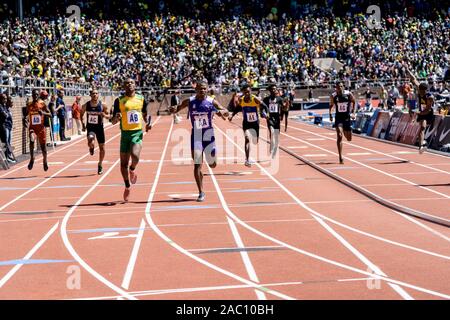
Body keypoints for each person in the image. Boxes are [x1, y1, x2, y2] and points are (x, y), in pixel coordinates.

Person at [168, 81, 229, 202]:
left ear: (207, 90)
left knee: (212, 164)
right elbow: (177, 108)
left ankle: (212, 157)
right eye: (200, 89)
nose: (202, 91)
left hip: (208, 135)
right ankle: (201, 192)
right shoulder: (189, 101)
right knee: (197, 164)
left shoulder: (211, 101)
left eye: (204, 89)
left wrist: (224, 112)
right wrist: (173, 109)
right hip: (196, 135)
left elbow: (224, 110)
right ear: (196, 90)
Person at [111, 79, 152, 202]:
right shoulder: (119, 101)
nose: (129, 84)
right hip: (124, 134)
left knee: (135, 156)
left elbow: (145, 114)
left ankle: (132, 169)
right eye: (127, 83)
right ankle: (127, 186)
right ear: (124, 86)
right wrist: (116, 118)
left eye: (131, 83)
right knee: (123, 165)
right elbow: (113, 121)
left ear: (135, 85)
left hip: (137, 132)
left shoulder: (141, 98)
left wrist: (148, 123)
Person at [229, 84, 267, 167]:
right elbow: (237, 108)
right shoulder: (241, 100)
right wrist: (232, 115)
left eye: (248, 92)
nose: (247, 93)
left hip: (255, 123)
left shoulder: (255, 99)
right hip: (246, 123)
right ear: (243, 92)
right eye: (245, 92)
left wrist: (265, 113)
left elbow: (264, 106)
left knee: (254, 141)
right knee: (247, 139)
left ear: (250, 91)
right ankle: (247, 160)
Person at [81, 88, 110, 175]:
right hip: (91, 128)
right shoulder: (86, 105)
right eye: (93, 93)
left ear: (98, 95)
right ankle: (91, 147)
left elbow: (108, 115)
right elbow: (81, 114)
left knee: (102, 148)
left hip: (100, 128)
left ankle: (100, 164)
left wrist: (104, 115)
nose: (95, 95)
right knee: (91, 141)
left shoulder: (103, 105)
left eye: (96, 93)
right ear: (90, 95)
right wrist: (83, 125)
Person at [406, 68, 435, 154]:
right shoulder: (419, 88)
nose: (420, 93)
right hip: (422, 113)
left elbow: (427, 110)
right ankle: (421, 146)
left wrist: (416, 112)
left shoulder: (430, 98)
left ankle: (424, 142)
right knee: (422, 127)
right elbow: (413, 78)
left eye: (422, 92)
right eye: (419, 91)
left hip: (428, 113)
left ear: (425, 91)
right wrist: (408, 71)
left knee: (425, 126)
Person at [24, 89, 52, 171]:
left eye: (36, 95)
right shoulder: (29, 105)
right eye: (34, 95)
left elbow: (50, 114)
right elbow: (26, 115)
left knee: (43, 149)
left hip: (41, 129)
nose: (35, 96)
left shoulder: (42, 104)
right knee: (32, 139)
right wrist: (25, 119)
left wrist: (43, 113)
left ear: (38, 95)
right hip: (33, 128)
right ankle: (32, 158)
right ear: (32, 95)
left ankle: (45, 160)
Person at [329, 83, 356, 164]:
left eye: (341, 86)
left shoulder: (348, 94)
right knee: (339, 136)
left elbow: (354, 102)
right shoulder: (333, 96)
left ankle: (345, 130)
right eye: (338, 87)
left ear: (343, 87)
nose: (339, 88)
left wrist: (353, 112)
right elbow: (330, 105)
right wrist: (330, 114)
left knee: (349, 139)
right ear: (336, 88)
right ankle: (340, 157)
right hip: (339, 118)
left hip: (347, 118)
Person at [262, 84, 283, 158]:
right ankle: (272, 148)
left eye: (275, 89)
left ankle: (274, 148)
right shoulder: (266, 99)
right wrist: (265, 115)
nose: (274, 90)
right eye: (273, 89)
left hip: (277, 119)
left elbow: (283, 108)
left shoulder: (279, 99)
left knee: (276, 135)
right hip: (270, 118)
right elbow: (262, 110)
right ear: (270, 90)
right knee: (272, 132)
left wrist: (282, 115)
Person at [0, 93, 15, 163]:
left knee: (8, 142)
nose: (5, 100)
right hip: (4, 126)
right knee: (6, 142)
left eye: (6, 99)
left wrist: (7, 114)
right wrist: (6, 114)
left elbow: (7, 115)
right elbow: (5, 115)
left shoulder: (4, 106)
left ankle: (8, 156)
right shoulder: (1, 106)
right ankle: (6, 157)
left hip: (8, 126)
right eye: (4, 99)